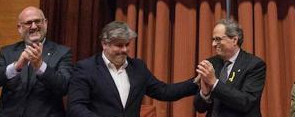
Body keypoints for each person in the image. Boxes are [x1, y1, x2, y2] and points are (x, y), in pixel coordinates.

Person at [67, 20, 199, 117]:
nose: (124, 50)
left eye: (127, 44)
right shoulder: (86, 68)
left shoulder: (138, 67)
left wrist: (196, 83)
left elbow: (164, 91)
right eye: (119, 45)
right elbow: (76, 107)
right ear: (104, 44)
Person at [0, 6, 73, 117]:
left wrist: (40, 66)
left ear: (45, 23)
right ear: (20, 28)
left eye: (38, 21)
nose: (34, 26)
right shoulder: (7, 52)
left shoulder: (62, 52)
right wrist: (15, 67)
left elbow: (64, 87)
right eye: (29, 23)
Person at [194, 18, 266, 117]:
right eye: (213, 40)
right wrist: (205, 94)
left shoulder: (254, 65)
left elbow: (246, 102)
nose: (213, 44)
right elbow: (199, 108)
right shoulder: (211, 63)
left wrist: (214, 83)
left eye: (218, 39)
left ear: (234, 40)